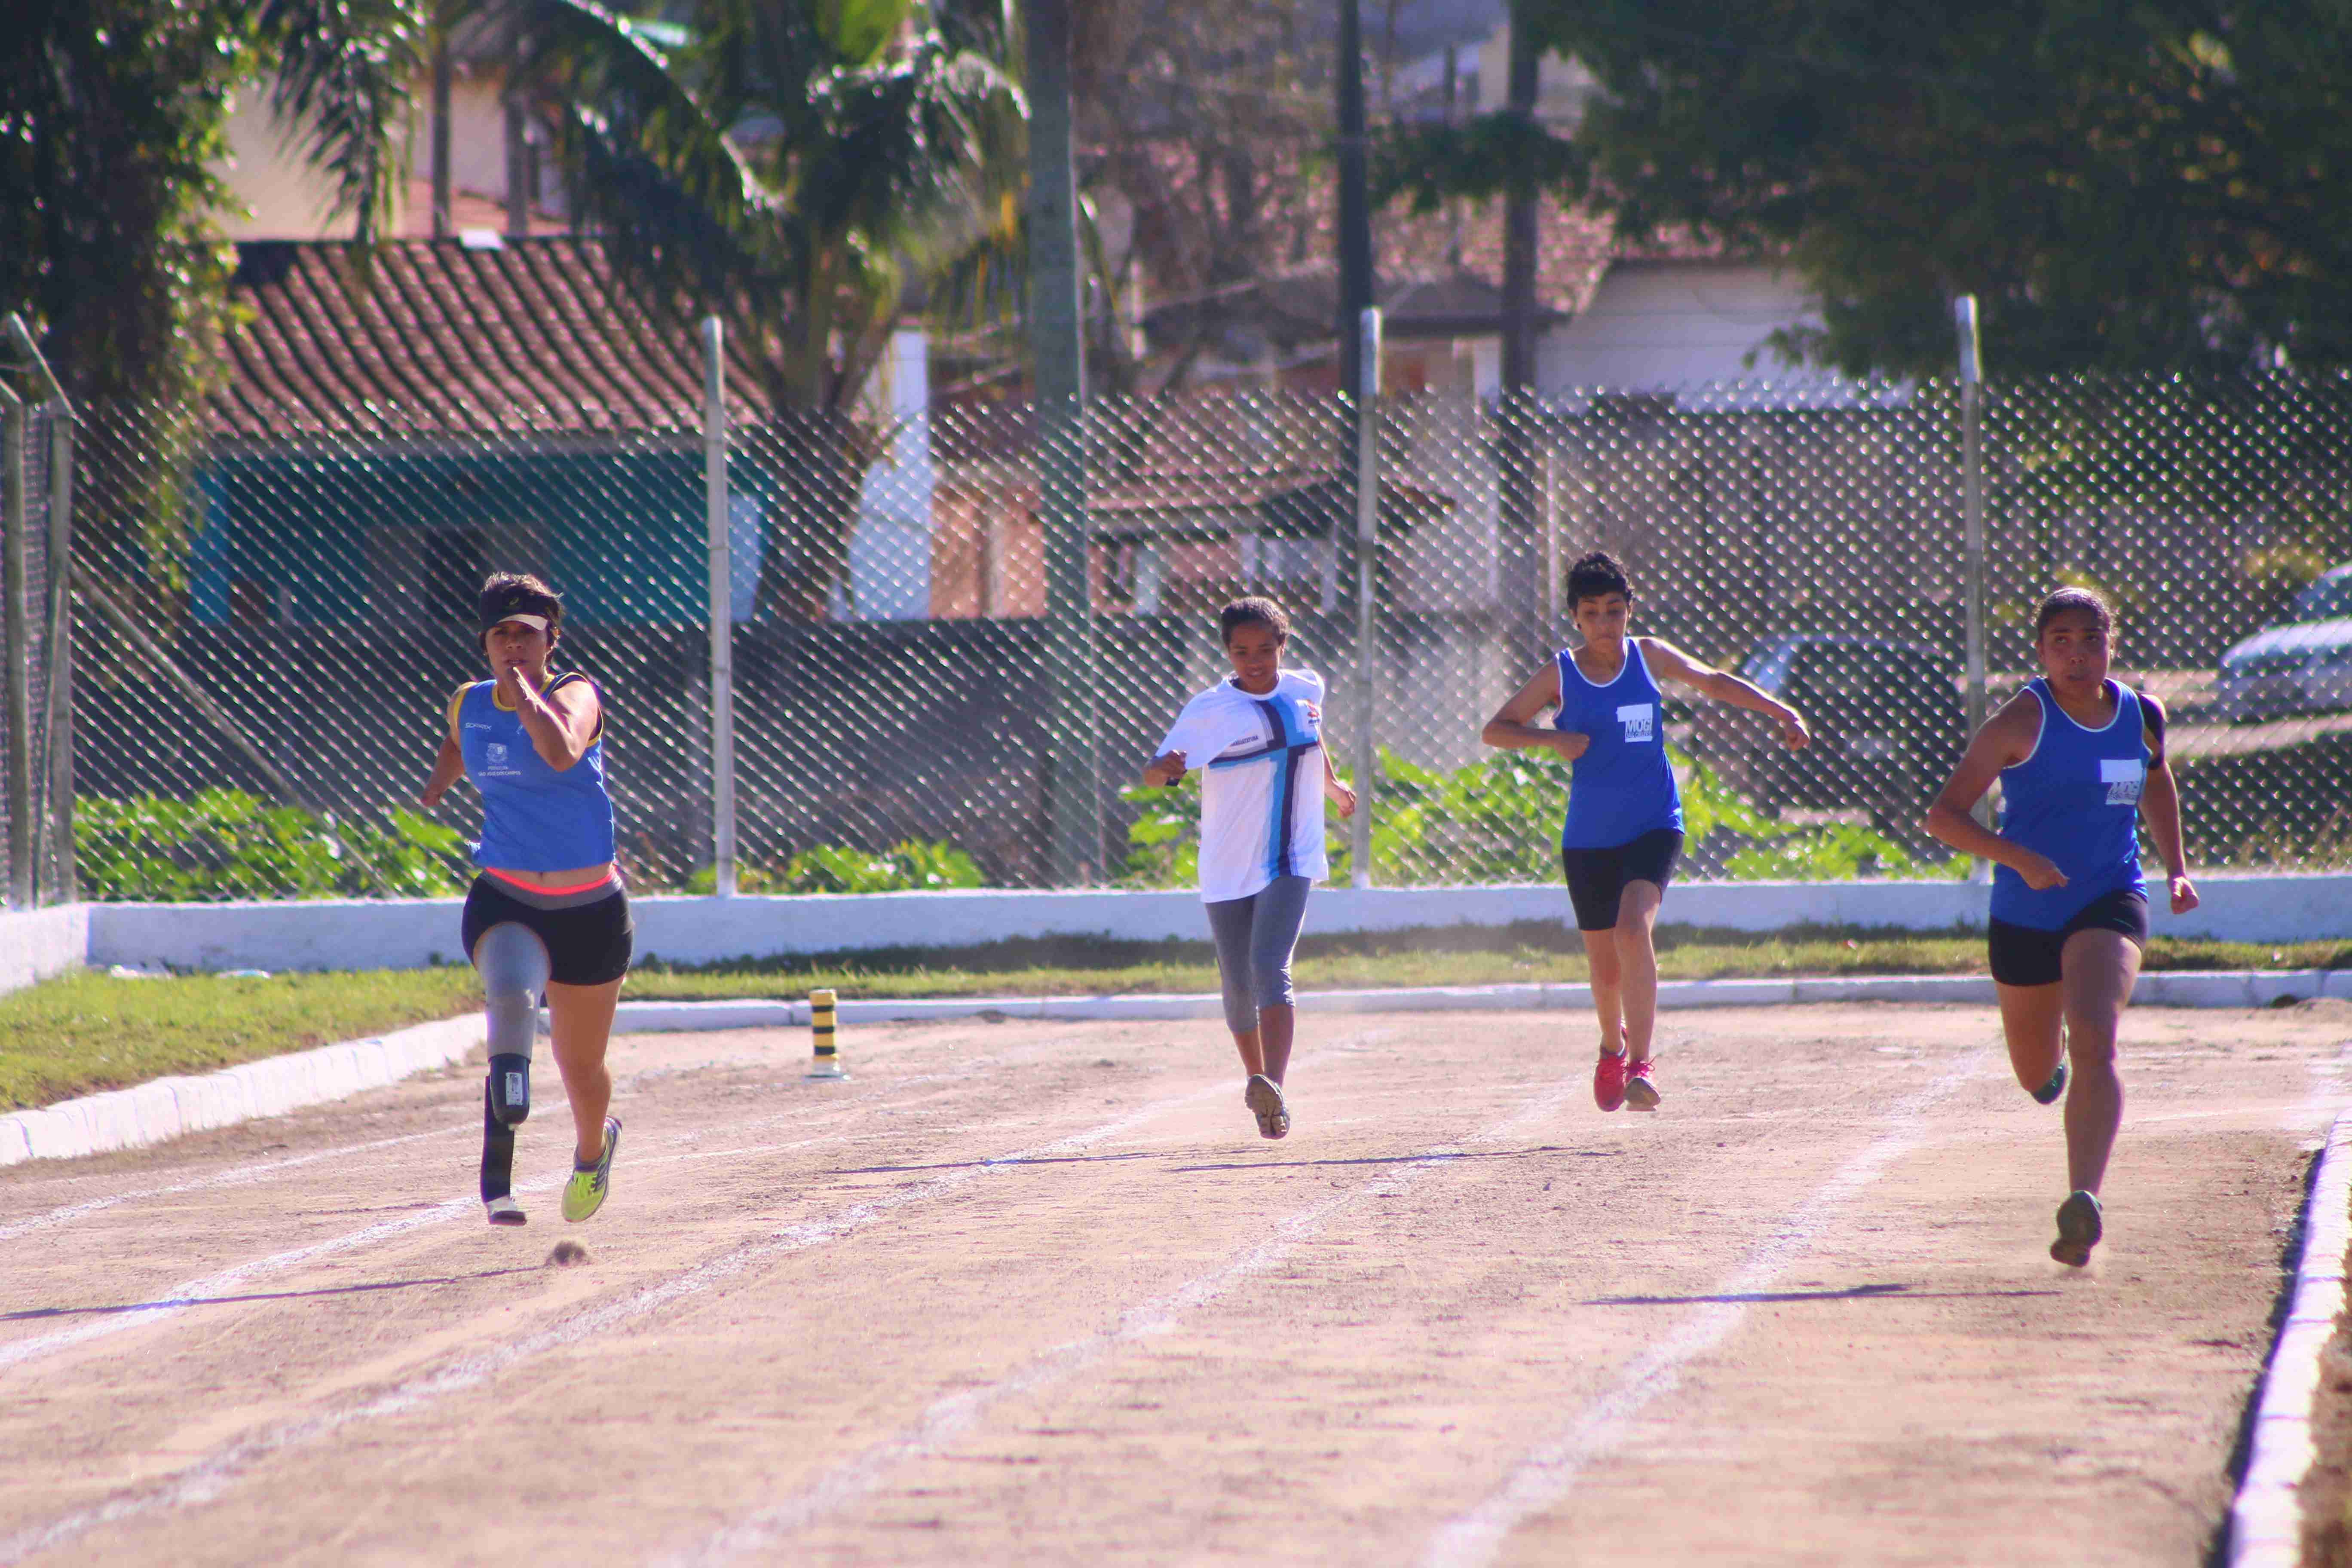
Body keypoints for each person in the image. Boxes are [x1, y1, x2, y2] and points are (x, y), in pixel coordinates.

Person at [1925, 585, 2197, 1267]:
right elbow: (1945, 816)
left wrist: (2177, 868)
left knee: (2097, 1036)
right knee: (2037, 1072)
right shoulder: (2019, 720)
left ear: (2112, 645)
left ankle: (2084, 1198)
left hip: (2110, 894)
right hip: (2026, 911)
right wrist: (2020, 858)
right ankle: (2050, 1075)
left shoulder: (2141, 714)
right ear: (2041, 652)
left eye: (2091, 640)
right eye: (2061, 643)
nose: (2078, 656)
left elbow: (2157, 780)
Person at [1483, 551, 1810, 1113]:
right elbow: (1496, 730)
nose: (1606, 624)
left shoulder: (1649, 657)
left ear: (1630, 610)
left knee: (1634, 928)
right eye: (1592, 613)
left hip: (1655, 823)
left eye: (1615, 610)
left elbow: (1712, 680)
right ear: (1576, 618)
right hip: (1588, 837)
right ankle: (1613, 1046)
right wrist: (1550, 741)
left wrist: (1780, 710)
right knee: (1604, 968)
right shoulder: (1561, 673)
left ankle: (1642, 1065)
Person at [418, 573, 628, 1226]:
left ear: (551, 640)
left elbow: (562, 752)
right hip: (506, 897)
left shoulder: (577, 693)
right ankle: (499, 1173)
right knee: (510, 1000)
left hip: (591, 911)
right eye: (501, 634)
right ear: (483, 641)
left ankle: (593, 1153)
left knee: (581, 1065)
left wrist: (526, 693)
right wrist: (436, 788)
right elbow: (460, 741)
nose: (514, 646)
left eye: (528, 636)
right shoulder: (468, 701)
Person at [1142, 597, 1357, 1140]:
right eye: (1242, 651)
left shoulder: (1306, 688)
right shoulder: (1210, 709)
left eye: (1265, 649)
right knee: (1237, 984)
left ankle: (1275, 1084)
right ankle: (1258, 1086)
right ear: (1228, 653)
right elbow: (1157, 771)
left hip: (1292, 855)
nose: (1255, 660)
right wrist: (1164, 770)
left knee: (1269, 966)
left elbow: (1312, 736)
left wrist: (1330, 786)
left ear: (1283, 646)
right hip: (1226, 860)